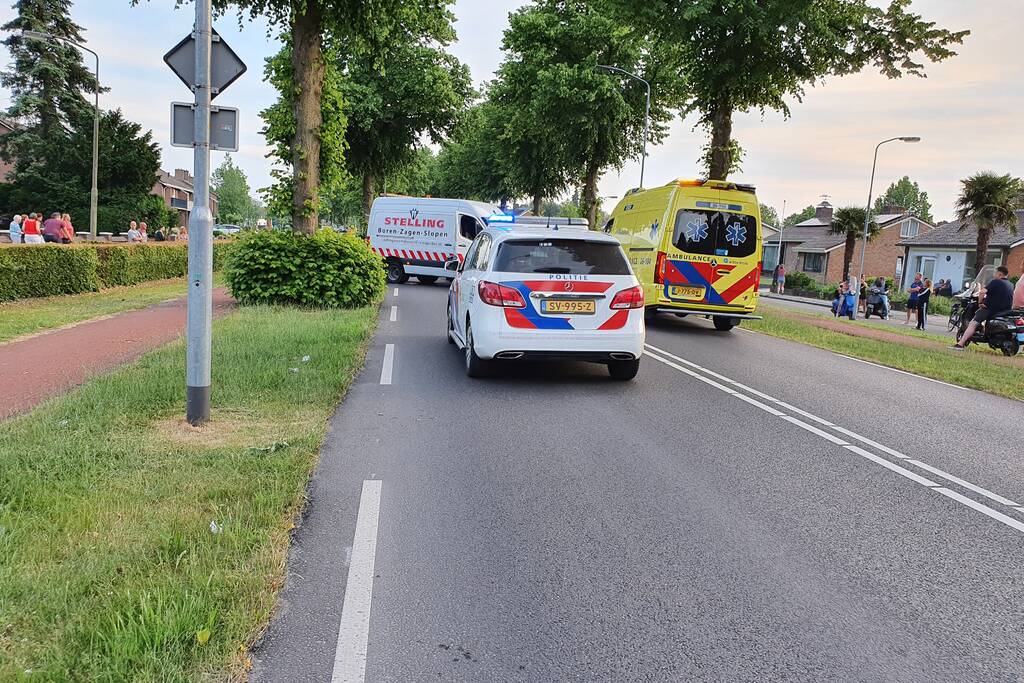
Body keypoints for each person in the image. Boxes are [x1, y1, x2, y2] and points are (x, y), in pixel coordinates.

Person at [952, 266, 1015, 349]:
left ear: (1000, 274)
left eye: (995, 273)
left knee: (973, 323)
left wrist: (980, 302)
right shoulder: (1011, 284)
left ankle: (960, 344)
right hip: (1006, 311)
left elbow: (982, 292)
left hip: (991, 309)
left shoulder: (996, 281)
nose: (994, 275)